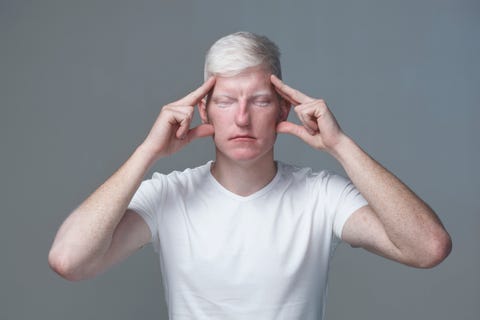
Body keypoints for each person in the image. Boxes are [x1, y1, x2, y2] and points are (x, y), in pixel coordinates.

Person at [48, 31, 452, 319]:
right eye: (225, 101)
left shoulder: (320, 195)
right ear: (203, 110)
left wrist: (340, 146)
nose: (242, 118)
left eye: (259, 100)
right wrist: (147, 152)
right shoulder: (169, 195)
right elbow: (69, 260)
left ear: (282, 108)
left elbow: (428, 248)